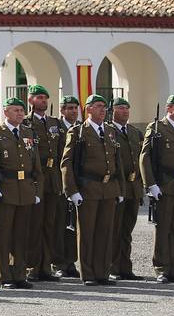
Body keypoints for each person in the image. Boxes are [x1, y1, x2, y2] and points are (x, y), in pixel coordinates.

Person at [0, 97, 39, 289]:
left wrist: (37, 189)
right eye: (15, 110)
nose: (20, 113)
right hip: (5, 189)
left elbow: (35, 164)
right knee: (5, 236)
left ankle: (20, 274)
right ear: (6, 112)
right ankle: (5, 276)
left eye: (21, 110)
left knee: (21, 235)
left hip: (25, 189)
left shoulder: (28, 132)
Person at [62, 93, 124, 286]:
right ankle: (88, 274)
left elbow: (117, 162)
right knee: (87, 233)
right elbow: (66, 163)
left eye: (104, 107)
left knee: (105, 232)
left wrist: (120, 189)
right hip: (88, 188)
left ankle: (102, 272)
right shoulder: (78, 131)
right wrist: (72, 191)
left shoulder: (111, 131)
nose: (102, 110)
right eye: (98, 106)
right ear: (88, 109)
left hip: (108, 188)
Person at [141, 95, 174, 284]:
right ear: (169, 108)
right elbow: (145, 158)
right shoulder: (157, 128)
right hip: (164, 184)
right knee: (163, 227)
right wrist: (151, 184)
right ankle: (162, 268)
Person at [21, 85, 66, 280]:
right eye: (39, 97)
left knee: (50, 224)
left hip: (53, 178)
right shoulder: (25, 123)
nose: (43, 101)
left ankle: (46, 267)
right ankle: (31, 267)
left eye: (45, 98)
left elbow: (63, 151)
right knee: (33, 225)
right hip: (35, 179)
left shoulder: (55, 123)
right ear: (30, 101)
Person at [109, 97, 144, 280]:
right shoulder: (109, 131)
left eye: (127, 108)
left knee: (127, 230)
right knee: (114, 229)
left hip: (133, 187)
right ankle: (113, 267)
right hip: (117, 187)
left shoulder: (134, 132)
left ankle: (125, 267)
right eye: (121, 108)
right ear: (112, 110)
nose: (125, 111)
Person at [55, 95, 82, 277]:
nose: (73, 111)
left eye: (75, 108)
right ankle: (58, 263)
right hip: (58, 182)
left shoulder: (81, 129)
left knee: (73, 225)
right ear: (62, 110)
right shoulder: (55, 128)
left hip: (77, 183)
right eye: (69, 108)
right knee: (59, 224)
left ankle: (70, 261)